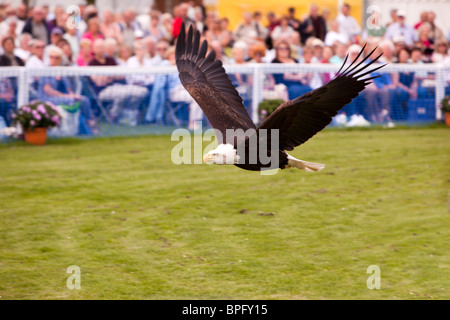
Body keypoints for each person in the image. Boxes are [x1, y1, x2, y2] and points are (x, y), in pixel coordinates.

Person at [38, 46, 98, 133]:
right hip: (48, 98)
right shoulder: (45, 71)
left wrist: (71, 94)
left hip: (64, 97)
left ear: (60, 59)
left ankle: (87, 124)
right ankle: (73, 130)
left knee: (84, 100)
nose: (53, 59)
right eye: (51, 57)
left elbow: (68, 87)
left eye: (56, 57)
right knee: (72, 100)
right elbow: (48, 90)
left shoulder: (61, 70)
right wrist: (67, 96)